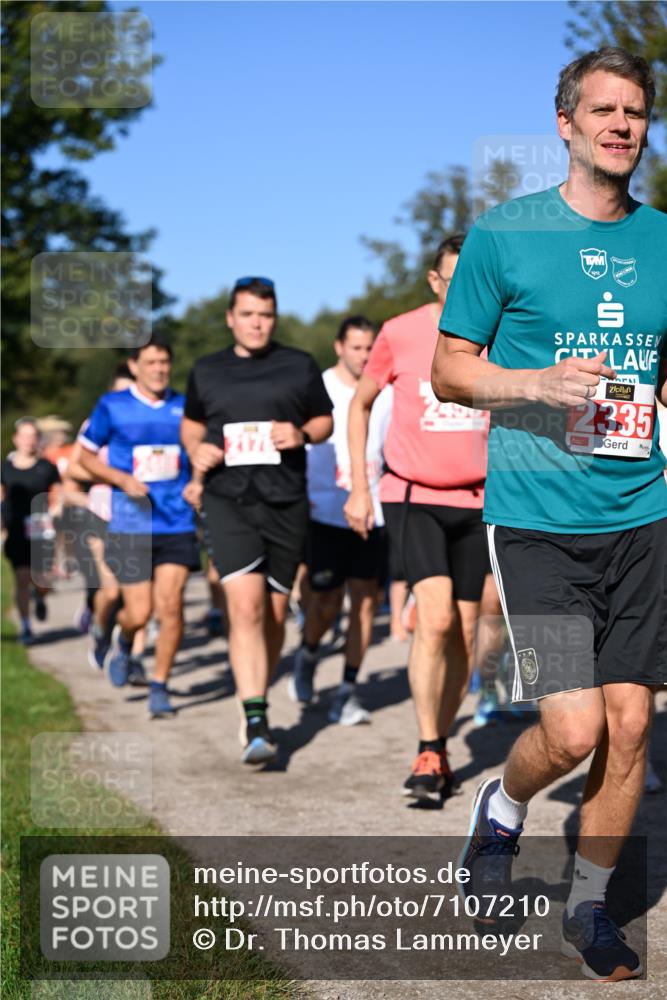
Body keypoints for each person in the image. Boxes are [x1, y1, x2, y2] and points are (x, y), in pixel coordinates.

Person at [432, 47, 666, 981]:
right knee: (571, 732)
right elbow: (449, 368)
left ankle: (589, 911)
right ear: (564, 123)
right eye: (603, 110)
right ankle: (500, 805)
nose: (621, 125)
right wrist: (532, 381)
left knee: (632, 725)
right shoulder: (503, 235)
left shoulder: (662, 240)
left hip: (641, 510)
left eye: (637, 112)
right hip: (534, 515)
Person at [345, 236, 494, 802]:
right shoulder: (401, 332)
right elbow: (360, 405)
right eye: (453, 280)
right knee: (432, 621)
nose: (464, 291)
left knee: (462, 628)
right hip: (413, 495)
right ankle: (428, 747)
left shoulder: (499, 334)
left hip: (480, 500)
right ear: (435, 282)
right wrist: (361, 486)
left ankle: (441, 743)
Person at [181, 276, 333, 765]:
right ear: (231, 318)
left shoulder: (298, 365)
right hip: (229, 500)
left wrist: (302, 432)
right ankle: (255, 718)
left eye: (264, 315)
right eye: (247, 314)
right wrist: (196, 450)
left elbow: (323, 420)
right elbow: (190, 423)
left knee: (271, 614)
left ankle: (257, 695)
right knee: (244, 607)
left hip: (285, 501)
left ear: (274, 317)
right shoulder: (207, 370)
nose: (256, 323)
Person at [79, 336, 199, 718]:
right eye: (151, 362)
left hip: (176, 521)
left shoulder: (185, 406)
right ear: (134, 366)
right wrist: (119, 479)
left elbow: (199, 454)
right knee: (140, 612)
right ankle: (123, 638)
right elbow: (83, 456)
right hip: (131, 523)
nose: (159, 369)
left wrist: (198, 482)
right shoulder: (112, 406)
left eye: (164, 362)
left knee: (172, 608)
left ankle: (160, 686)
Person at [290, 315, 392, 724]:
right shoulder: (319, 387)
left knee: (366, 604)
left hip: (375, 512)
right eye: (356, 348)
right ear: (339, 347)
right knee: (327, 605)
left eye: (370, 348)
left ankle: (347, 692)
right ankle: (310, 652)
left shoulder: (386, 389)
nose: (364, 356)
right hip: (325, 512)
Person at [1, 418, 60, 643]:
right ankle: (25, 626)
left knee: (42, 579)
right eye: (24, 436)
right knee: (22, 577)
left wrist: (56, 509)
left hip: (41, 528)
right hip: (16, 528)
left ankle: (41, 595)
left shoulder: (47, 467)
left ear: (38, 440)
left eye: (32, 436)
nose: (28, 441)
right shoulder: (5, 469)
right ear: (16, 439)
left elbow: (59, 493)